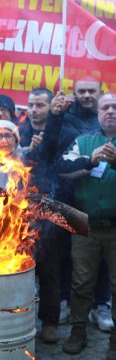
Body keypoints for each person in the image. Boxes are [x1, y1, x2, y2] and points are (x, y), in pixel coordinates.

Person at [57, 93, 116, 356]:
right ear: (98, 113)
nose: (111, 112)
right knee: (81, 283)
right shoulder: (83, 142)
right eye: (105, 107)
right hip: (85, 226)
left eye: (115, 107)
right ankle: (77, 331)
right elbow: (63, 170)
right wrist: (89, 161)